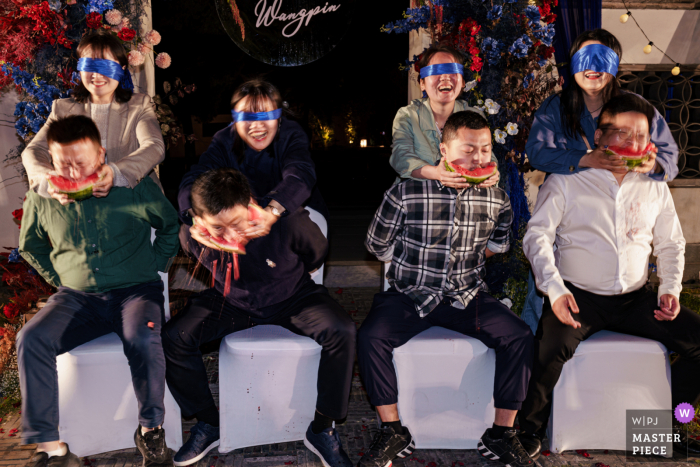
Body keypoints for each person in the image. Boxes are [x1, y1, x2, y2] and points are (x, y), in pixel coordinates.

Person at [518, 94, 700, 459]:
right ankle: (529, 429)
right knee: (548, 351)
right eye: (622, 133)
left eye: (641, 135)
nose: (633, 144)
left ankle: (661, 429)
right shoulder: (566, 181)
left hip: (636, 299)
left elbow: (671, 243)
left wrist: (670, 289)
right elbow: (537, 238)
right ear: (599, 136)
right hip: (578, 297)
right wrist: (553, 290)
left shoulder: (654, 184)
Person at [360, 111, 534, 467]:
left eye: (485, 150)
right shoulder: (406, 190)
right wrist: (414, 262)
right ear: (443, 149)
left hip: (468, 295)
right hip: (409, 294)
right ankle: (393, 429)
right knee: (370, 337)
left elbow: (498, 245)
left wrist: (463, 264)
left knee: (519, 335)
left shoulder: (496, 198)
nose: (479, 159)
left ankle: (501, 434)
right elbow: (376, 245)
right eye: (469, 150)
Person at [163, 168, 355, 467]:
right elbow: (187, 189)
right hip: (230, 300)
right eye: (217, 229)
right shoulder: (192, 235)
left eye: (237, 224)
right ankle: (208, 421)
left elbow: (316, 253)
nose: (230, 236)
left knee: (342, 330)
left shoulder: (289, 221)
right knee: (176, 336)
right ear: (198, 221)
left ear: (250, 204)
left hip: (292, 297)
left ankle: (322, 427)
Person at [17, 115, 180, 467]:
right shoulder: (43, 195)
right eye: (64, 164)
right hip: (76, 298)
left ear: (101, 155)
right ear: (51, 163)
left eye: (81, 163)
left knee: (144, 339)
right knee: (31, 338)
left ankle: (151, 431)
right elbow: (30, 245)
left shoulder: (133, 185)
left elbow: (170, 225)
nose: (73, 173)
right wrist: (61, 278)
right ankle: (52, 447)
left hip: (136, 292)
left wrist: (157, 265)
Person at [520, 29, 680, 333]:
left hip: (621, 212)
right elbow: (536, 152)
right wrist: (583, 158)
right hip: (567, 217)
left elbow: (671, 157)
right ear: (572, 64)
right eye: (585, 58)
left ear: (615, 65)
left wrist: (653, 162)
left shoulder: (636, 108)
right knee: (543, 294)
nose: (593, 67)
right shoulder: (555, 108)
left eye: (603, 58)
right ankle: (539, 351)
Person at [22, 29, 165, 205]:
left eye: (106, 66)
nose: (97, 75)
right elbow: (33, 151)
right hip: (81, 213)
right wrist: (48, 180)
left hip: (136, 207)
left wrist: (116, 172)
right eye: (89, 66)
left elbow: (154, 146)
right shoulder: (62, 109)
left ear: (122, 69)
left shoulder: (139, 105)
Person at [177, 79, 327, 240]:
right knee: (187, 234)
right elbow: (195, 178)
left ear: (279, 118)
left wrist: (272, 211)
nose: (257, 125)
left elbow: (300, 175)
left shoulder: (291, 135)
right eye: (247, 117)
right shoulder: (224, 140)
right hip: (241, 220)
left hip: (298, 213)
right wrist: (196, 216)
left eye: (266, 115)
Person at [390, 43, 500, 190]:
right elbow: (401, 158)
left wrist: (492, 173)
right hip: (417, 199)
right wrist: (436, 173)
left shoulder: (475, 115)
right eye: (436, 73)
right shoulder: (408, 116)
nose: (445, 79)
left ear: (462, 82)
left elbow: (488, 156)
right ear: (422, 83)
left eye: (452, 73)